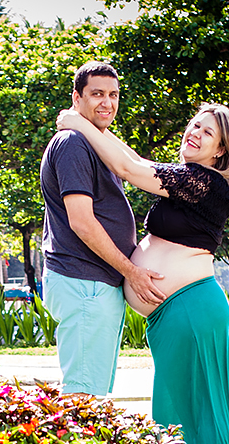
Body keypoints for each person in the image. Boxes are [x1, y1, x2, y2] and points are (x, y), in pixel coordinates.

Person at [56, 102, 229, 444]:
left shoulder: (206, 183)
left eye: (207, 132)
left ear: (221, 151)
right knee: (179, 404)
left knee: (188, 406)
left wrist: (78, 122)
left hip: (191, 307)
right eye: (194, 125)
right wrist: (93, 127)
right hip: (176, 311)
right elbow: (132, 159)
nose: (195, 133)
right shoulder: (188, 177)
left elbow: (129, 168)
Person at [39, 62, 165, 395]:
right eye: (97, 94)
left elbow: (134, 164)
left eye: (113, 95)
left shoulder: (92, 142)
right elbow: (81, 222)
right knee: (82, 396)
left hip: (94, 286)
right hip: (84, 283)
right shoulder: (72, 144)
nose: (107, 103)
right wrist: (132, 272)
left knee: (91, 394)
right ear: (76, 98)